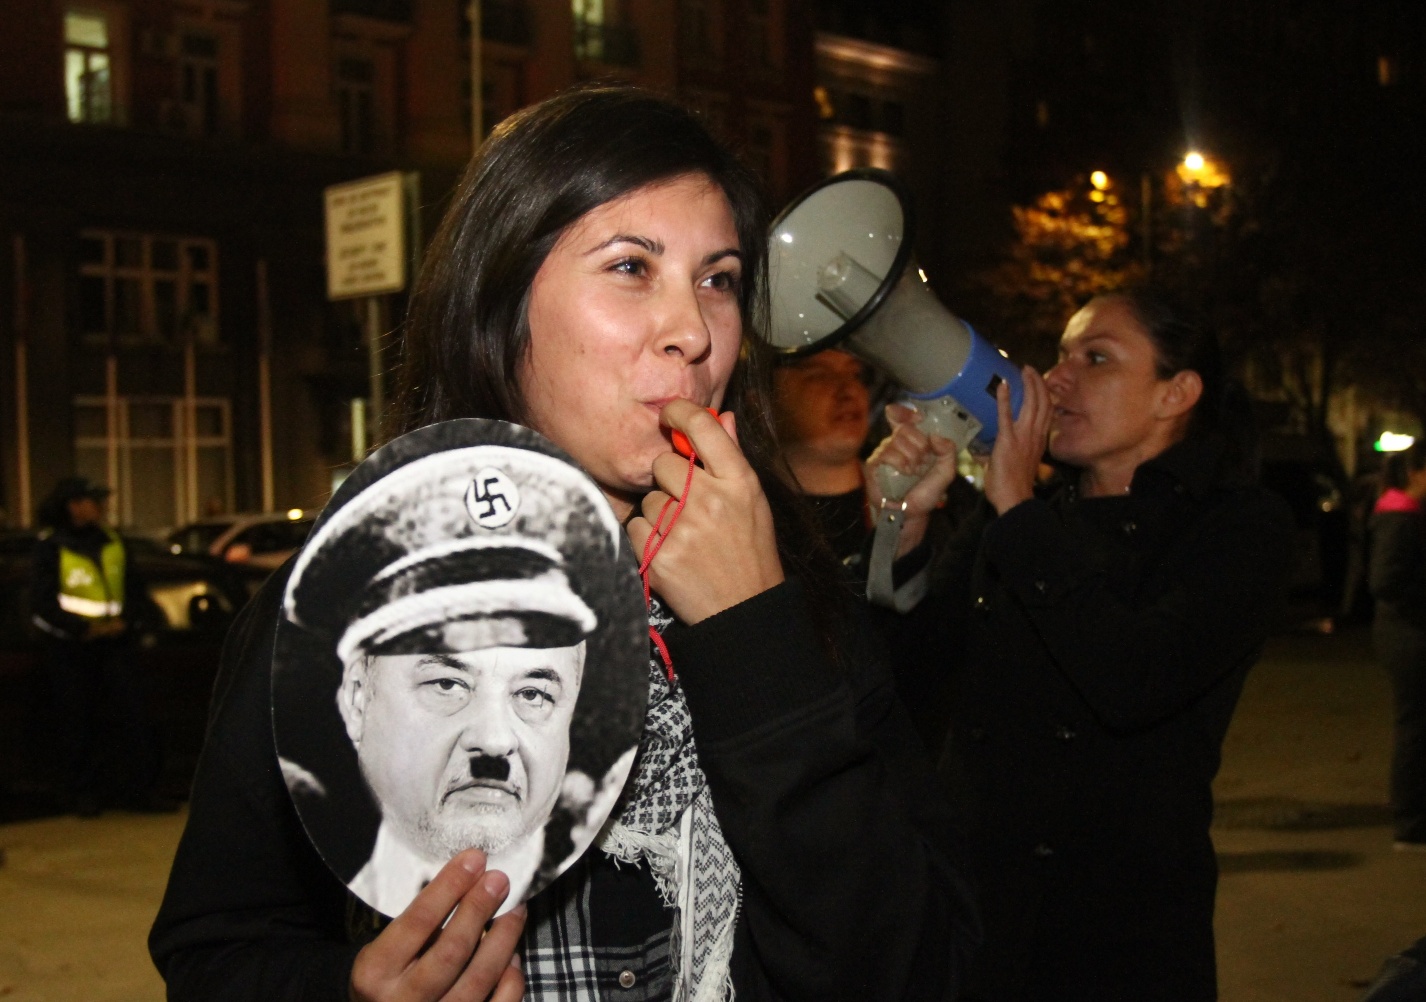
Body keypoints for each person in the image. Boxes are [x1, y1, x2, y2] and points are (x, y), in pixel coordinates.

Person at [150, 85, 979, 1002]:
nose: (694, 332)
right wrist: (352, 993)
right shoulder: (355, 586)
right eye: (631, 267)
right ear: (503, 304)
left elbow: (922, 965)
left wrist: (755, 639)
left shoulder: (792, 591)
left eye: (718, 279)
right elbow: (216, 948)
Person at [868, 290, 1295, 1001]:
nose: (1055, 379)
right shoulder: (1021, 519)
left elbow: (1135, 678)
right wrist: (902, 531)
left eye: (1096, 359)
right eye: (1061, 356)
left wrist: (1016, 508)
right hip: (979, 918)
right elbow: (905, 684)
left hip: (1120, 933)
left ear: (1176, 394)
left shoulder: (1239, 527)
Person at [30, 476, 168, 816]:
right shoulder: (51, 548)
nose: (102, 507)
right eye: (95, 500)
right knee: (79, 725)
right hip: (72, 652)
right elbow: (41, 606)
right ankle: (83, 794)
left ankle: (139, 790)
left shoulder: (113, 541)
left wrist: (127, 623)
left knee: (133, 719)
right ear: (74, 506)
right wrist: (83, 630)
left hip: (116, 647)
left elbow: (135, 592)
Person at [1367, 442, 1426, 851]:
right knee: (1416, 728)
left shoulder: (1406, 514)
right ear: (1417, 472)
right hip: (1408, 635)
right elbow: (1385, 580)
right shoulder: (1399, 517)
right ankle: (1410, 825)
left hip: (1407, 632)